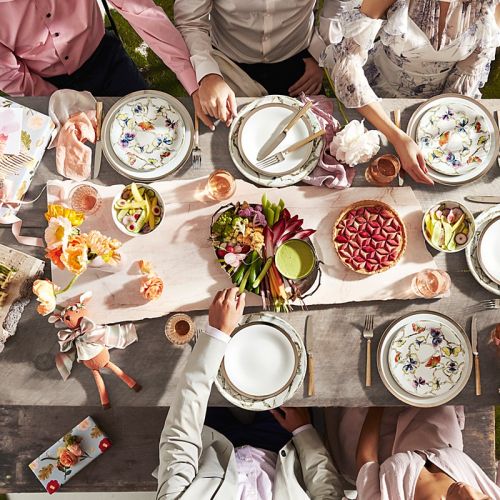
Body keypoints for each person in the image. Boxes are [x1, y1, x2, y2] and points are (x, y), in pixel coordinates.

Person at [156, 287, 344, 499]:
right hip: (280, 444)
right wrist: (303, 431)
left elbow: (180, 436)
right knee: (283, 356)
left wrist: (217, 334)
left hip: (211, 443)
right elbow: (328, 491)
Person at [320, 0, 500, 185]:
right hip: (374, 99)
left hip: (437, 108)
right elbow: (348, 60)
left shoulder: (491, 6)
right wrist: (398, 138)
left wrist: (434, 126)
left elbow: (466, 73)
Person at [0, 0, 211, 128]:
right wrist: (65, 105)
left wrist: (194, 81)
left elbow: (141, 11)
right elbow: (12, 77)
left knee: (152, 124)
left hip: (105, 58)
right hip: (45, 85)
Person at [174, 0, 339, 127]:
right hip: (228, 65)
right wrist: (208, 74)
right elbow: (191, 22)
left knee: (314, 143)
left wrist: (320, 55)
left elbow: (339, 7)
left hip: (300, 60)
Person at [327, 406, 500, 499]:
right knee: (436, 370)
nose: (468, 490)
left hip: (376, 441)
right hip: (435, 428)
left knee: (355, 387)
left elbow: (366, 459)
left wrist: (378, 403)